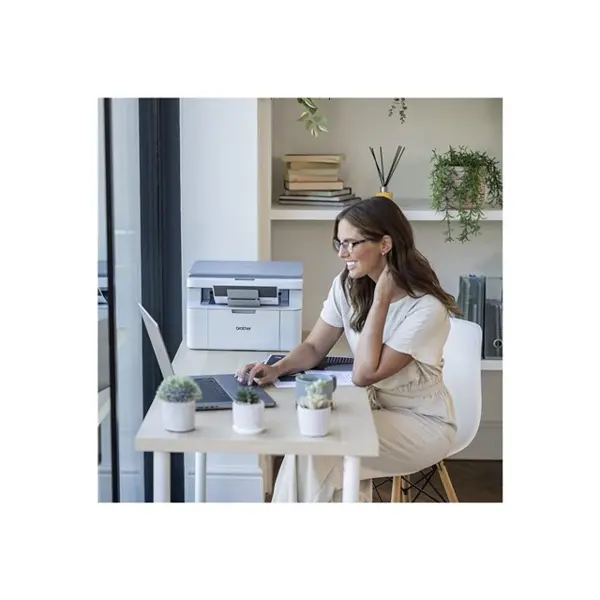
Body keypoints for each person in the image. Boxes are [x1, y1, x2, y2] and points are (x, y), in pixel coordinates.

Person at [236, 196, 462, 502]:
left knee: (321, 448)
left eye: (351, 244)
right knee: (317, 446)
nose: (342, 253)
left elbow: (364, 374)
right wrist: (277, 368)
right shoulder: (347, 286)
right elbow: (315, 346)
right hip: (367, 408)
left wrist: (381, 299)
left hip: (420, 422)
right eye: (339, 243)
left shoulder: (425, 309)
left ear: (385, 244)